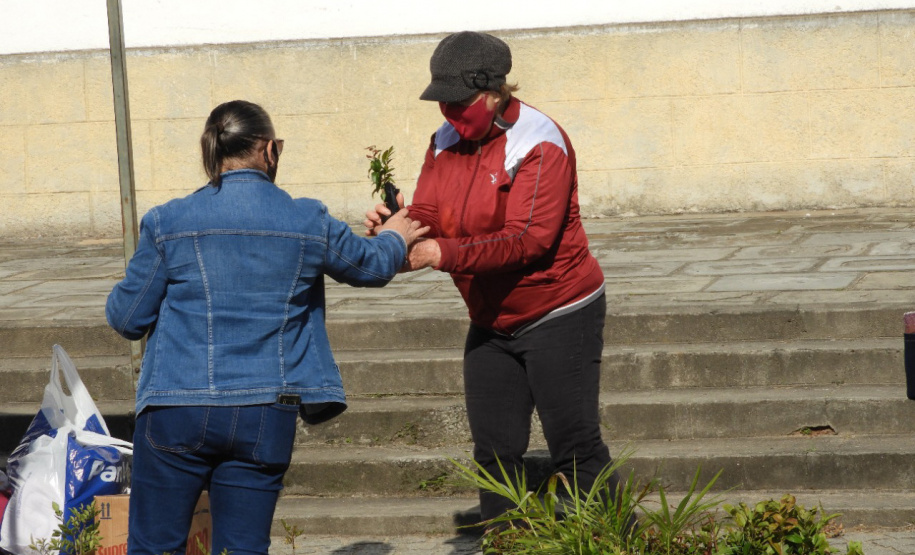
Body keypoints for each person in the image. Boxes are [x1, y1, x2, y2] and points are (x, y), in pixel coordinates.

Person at [107, 100, 427, 555]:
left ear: (213, 152)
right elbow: (372, 267)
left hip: (177, 405)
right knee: (245, 547)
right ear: (268, 151)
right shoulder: (307, 219)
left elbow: (127, 318)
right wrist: (397, 232)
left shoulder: (167, 221)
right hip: (265, 410)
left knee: (155, 547)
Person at [365, 31, 626, 523]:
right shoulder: (444, 140)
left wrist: (439, 252)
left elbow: (526, 240)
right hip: (490, 320)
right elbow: (429, 211)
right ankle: (504, 540)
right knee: (494, 454)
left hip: (559, 309)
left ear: (493, 92)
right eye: (441, 102)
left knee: (575, 448)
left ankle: (620, 542)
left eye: (459, 104)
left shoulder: (539, 142)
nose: (448, 114)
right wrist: (396, 231)